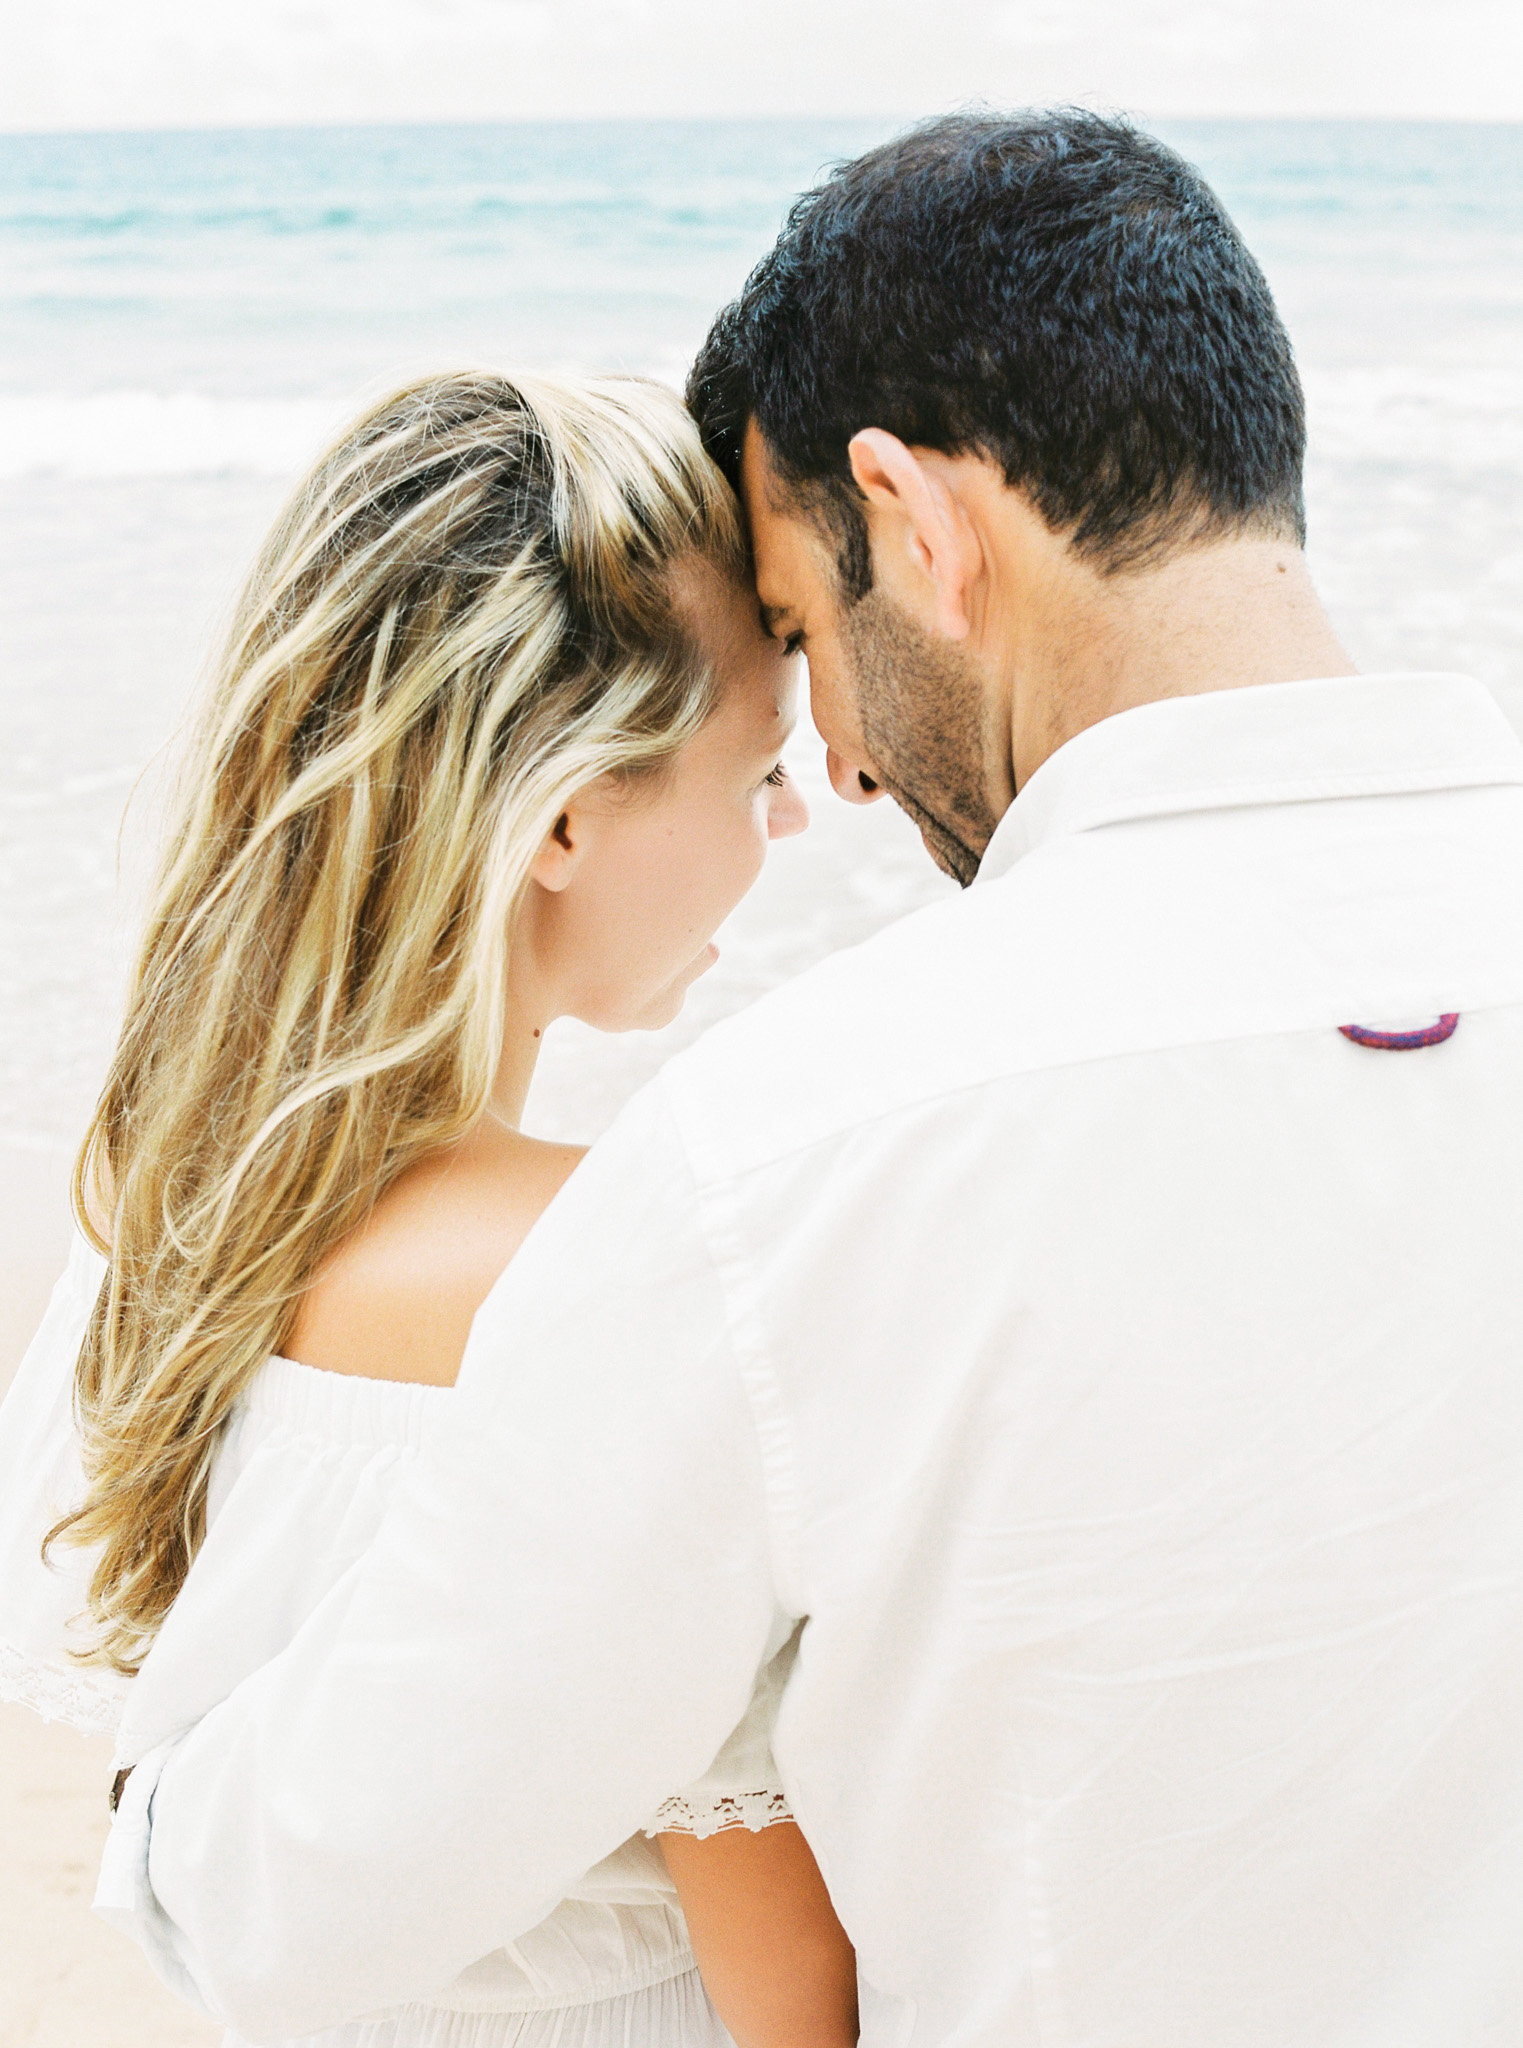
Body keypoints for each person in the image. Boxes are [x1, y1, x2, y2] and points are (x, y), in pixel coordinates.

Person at [25, 106, 1523, 2046]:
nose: (852, 773)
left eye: (807, 633)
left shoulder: (788, 1168)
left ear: (916, 521)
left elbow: (260, 1907)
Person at [0, 368, 864, 2048]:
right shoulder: (615, 1278)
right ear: (557, 818)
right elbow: (802, 2000)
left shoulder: (164, 1228)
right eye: (758, 770)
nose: (793, 818)